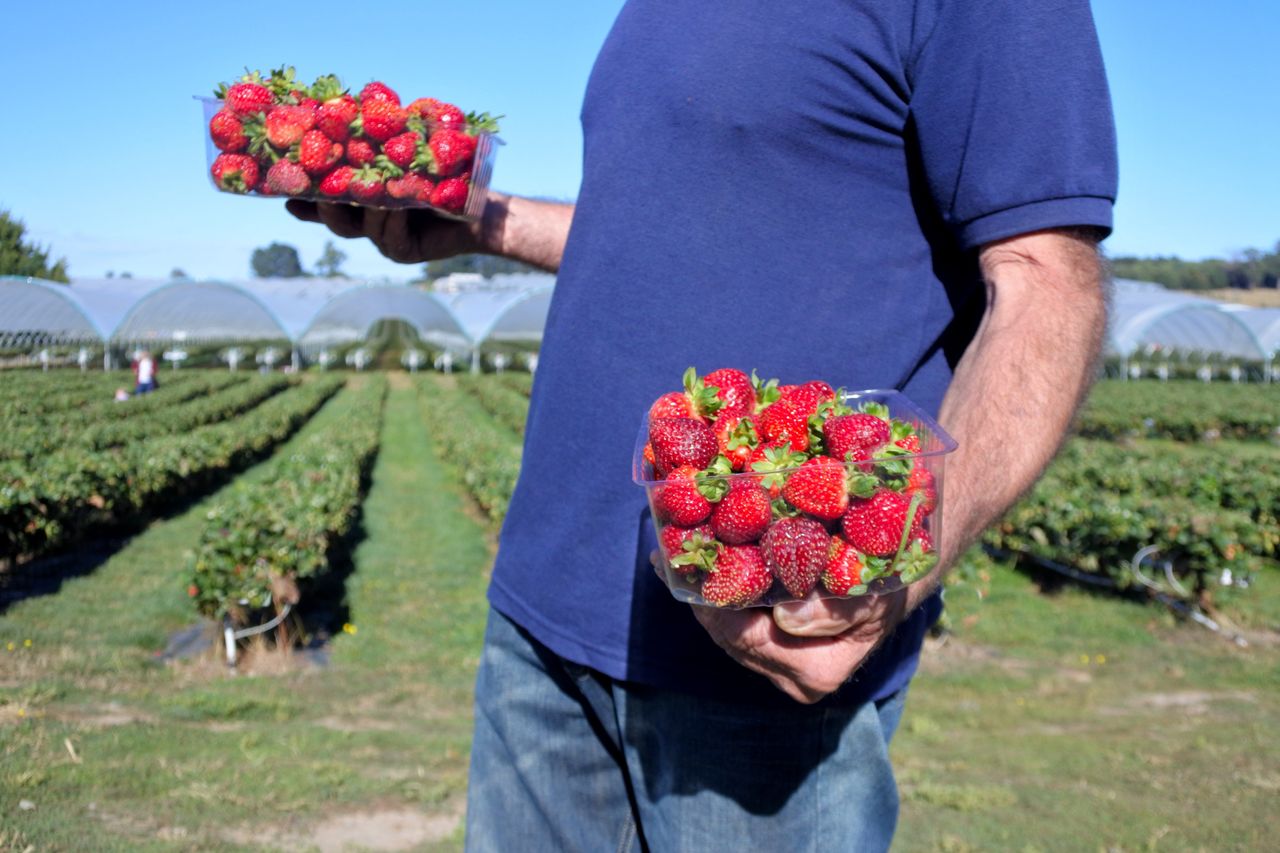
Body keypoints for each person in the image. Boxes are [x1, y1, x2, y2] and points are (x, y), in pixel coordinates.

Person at [290, 1, 1117, 847]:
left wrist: (904, 561)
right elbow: (653, 234)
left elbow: (1047, 280)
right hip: (540, 615)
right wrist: (484, 221)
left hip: (762, 633)